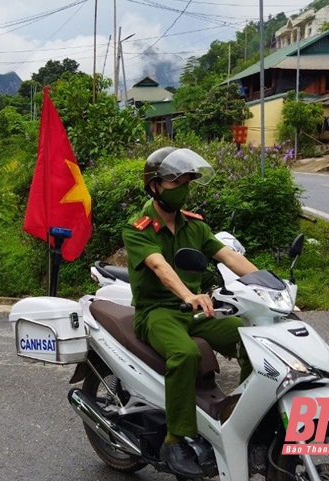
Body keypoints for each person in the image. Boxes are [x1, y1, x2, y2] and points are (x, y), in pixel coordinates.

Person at [122, 147, 257, 478]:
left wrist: (268, 286)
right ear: (154, 186)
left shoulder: (195, 226)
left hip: (196, 308)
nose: (183, 188)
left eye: (187, 182)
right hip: (157, 312)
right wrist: (188, 294)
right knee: (184, 355)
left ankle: (242, 419)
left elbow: (229, 257)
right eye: (176, 182)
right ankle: (175, 438)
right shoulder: (138, 228)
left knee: (252, 340)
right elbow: (159, 266)